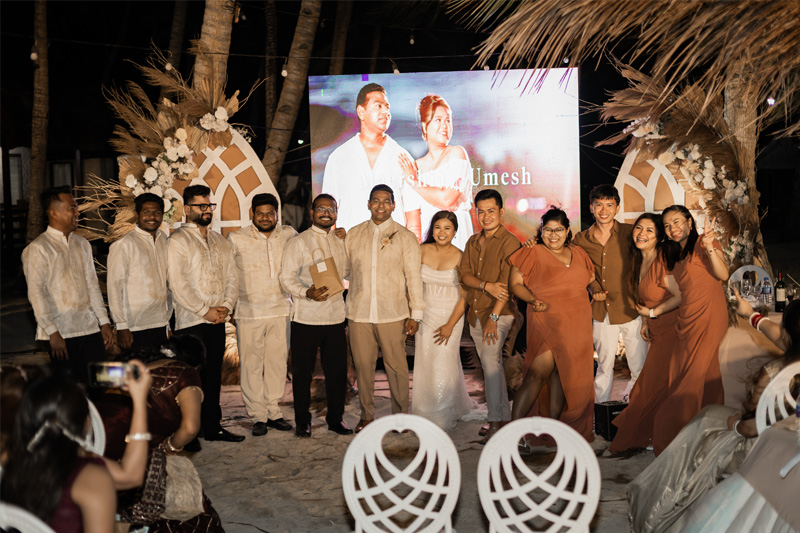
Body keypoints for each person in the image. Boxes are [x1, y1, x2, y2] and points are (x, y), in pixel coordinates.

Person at [628, 297, 800, 533]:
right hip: (790, 445)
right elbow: (777, 335)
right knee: (710, 414)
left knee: (703, 431)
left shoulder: (775, 372)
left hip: (768, 449)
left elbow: (751, 428)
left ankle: (669, 505)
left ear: (788, 335)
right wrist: (751, 315)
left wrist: (735, 424)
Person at [96, 335, 225, 532]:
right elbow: (190, 427)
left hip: (94, 443)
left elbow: (97, 385)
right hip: (132, 447)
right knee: (184, 508)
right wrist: (169, 447)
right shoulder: (186, 372)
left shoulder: (132, 368)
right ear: (195, 363)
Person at [0, 370, 149, 533]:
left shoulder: (10, 460)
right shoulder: (90, 477)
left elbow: (130, 475)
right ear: (86, 421)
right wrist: (140, 401)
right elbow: (131, 476)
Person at [508, 208, 598, 443]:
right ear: (541, 231)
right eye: (548, 230)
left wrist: (598, 292)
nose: (553, 235)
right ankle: (514, 433)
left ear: (567, 231)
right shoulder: (532, 252)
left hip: (577, 322)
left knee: (560, 375)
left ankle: (553, 432)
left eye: (558, 230)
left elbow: (591, 280)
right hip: (546, 319)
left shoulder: (579, 253)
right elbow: (515, 283)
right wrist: (531, 300)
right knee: (536, 375)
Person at [345, 184, 425, 433]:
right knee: (363, 367)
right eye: (376, 201)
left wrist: (416, 314)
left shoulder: (405, 236)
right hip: (359, 312)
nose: (381, 205)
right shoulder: (353, 234)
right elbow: (345, 271)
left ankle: (400, 417)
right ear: (369, 204)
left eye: (386, 201)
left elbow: (413, 277)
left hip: (393, 312)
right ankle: (366, 415)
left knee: (397, 367)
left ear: (393, 205)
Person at [168, 184, 243, 444]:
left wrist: (226, 306)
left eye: (209, 205)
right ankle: (190, 430)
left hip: (217, 319)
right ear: (187, 209)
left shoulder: (220, 240)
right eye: (200, 205)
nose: (206, 210)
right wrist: (205, 310)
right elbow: (178, 284)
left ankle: (212, 426)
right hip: (191, 320)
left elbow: (232, 277)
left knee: (212, 377)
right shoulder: (178, 241)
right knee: (191, 379)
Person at [651, 205, 729, 454]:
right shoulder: (676, 254)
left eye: (677, 222)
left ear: (689, 221)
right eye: (667, 225)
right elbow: (680, 293)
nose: (672, 228)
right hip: (687, 319)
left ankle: (674, 439)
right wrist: (651, 313)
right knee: (706, 376)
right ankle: (710, 436)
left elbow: (723, 274)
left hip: (709, 316)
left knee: (690, 378)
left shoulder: (703, 244)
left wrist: (709, 246)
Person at [22, 185, 114, 384]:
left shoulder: (82, 244)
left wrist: (104, 321)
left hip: (90, 327)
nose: (77, 212)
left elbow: (92, 284)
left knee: (104, 381)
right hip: (61, 333)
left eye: (76, 207)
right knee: (68, 390)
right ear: (53, 213)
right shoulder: (38, 248)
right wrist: (52, 332)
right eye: (72, 207)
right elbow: (36, 293)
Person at [279, 193, 353, 437]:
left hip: (335, 317)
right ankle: (303, 421)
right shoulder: (298, 242)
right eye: (320, 209)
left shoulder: (340, 241)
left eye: (330, 209)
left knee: (337, 373)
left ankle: (335, 419)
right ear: (311, 213)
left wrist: (346, 241)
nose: (326, 213)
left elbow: (348, 272)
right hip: (306, 318)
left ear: (336, 213)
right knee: (302, 374)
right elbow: (286, 278)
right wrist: (306, 292)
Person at [609, 214, 681, 452]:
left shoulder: (662, 261)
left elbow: (679, 296)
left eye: (650, 230)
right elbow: (642, 298)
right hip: (656, 329)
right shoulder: (638, 260)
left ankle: (647, 434)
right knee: (657, 384)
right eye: (639, 228)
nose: (642, 233)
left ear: (659, 237)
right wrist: (644, 321)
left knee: (650, 385)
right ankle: (654, 433)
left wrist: (652, 312)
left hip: (672, 329)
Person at [228, 193, 296, 436]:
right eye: (260, 213)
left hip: (280, 309)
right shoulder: (236, 238)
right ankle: (258, 415)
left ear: (277, 214)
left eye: (270, 213)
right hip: (249, 311)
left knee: (277, 363)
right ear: (252, 214)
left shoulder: (289, 235)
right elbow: (228, 273)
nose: (265, 218)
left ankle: (273, 411)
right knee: (251, 365)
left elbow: (306, 254)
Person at [572, 185, 648, 402]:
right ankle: (602, 412)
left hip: (632, 308)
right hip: (601, 311)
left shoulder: (630, 233)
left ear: (617, 208)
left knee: (639, 367)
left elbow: (648, 259)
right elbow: (579, 270)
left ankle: (634, 408)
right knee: (604, 368)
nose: (604, 210)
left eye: (609, 205)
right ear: (591, 208)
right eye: (599, 205)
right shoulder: (581, 239)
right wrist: (593, 286)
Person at [458, 189, 521, 441]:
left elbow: (505, 287)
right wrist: (486, 285)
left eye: (491, 211)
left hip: (499, 314)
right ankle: (501, 418)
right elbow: (465, 276)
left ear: (501, 212)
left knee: (492, 366)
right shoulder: (472, 242)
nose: (485, 217)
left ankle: (495, 423)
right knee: (491, 367)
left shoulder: (510, 242)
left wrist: (493, 319)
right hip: (475, 314)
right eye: (481, 212)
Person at [322, 83, 422, 236]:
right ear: (361, 112)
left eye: (387, 107)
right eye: (378, 106)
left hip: (392, 246)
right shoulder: (339, 157)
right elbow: (328, 214)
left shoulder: (403, 157)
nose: (385, 112)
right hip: (350, 246)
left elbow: (413, 218)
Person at [412, 211, 472, 430]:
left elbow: (465, 297)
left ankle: (442, 413)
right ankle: (424, 409)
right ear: (432, 229)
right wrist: (414, 314)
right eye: (438, 227)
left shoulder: (461, 256)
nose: (442, 232)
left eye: (447, 228)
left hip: (451, 315)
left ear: (455, 232)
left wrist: (450, 325)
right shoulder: (421, 250)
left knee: (444, 363)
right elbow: (412, 284)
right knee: (426, 361)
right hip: (425, 314)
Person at [398, 94, 476, 249]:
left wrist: (414, 182)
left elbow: (447, 199)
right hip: (429, 251)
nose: (445, 126)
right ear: (424, 126)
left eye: (448, 120)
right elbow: (413, 227)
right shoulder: (414, 168)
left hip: (458, 243)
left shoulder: (457, 153)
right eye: (438, 120)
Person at [107, 192, 171, 351]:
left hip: (160, 322)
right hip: (134, 326)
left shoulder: (164, 240)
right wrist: (121, 325)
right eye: (146, 212)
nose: (152, 217)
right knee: (137, 367)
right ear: (137, 215)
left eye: (156, 212)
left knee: (160, 366)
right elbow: (114, 288)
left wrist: (168, 324)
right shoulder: (124, 245)